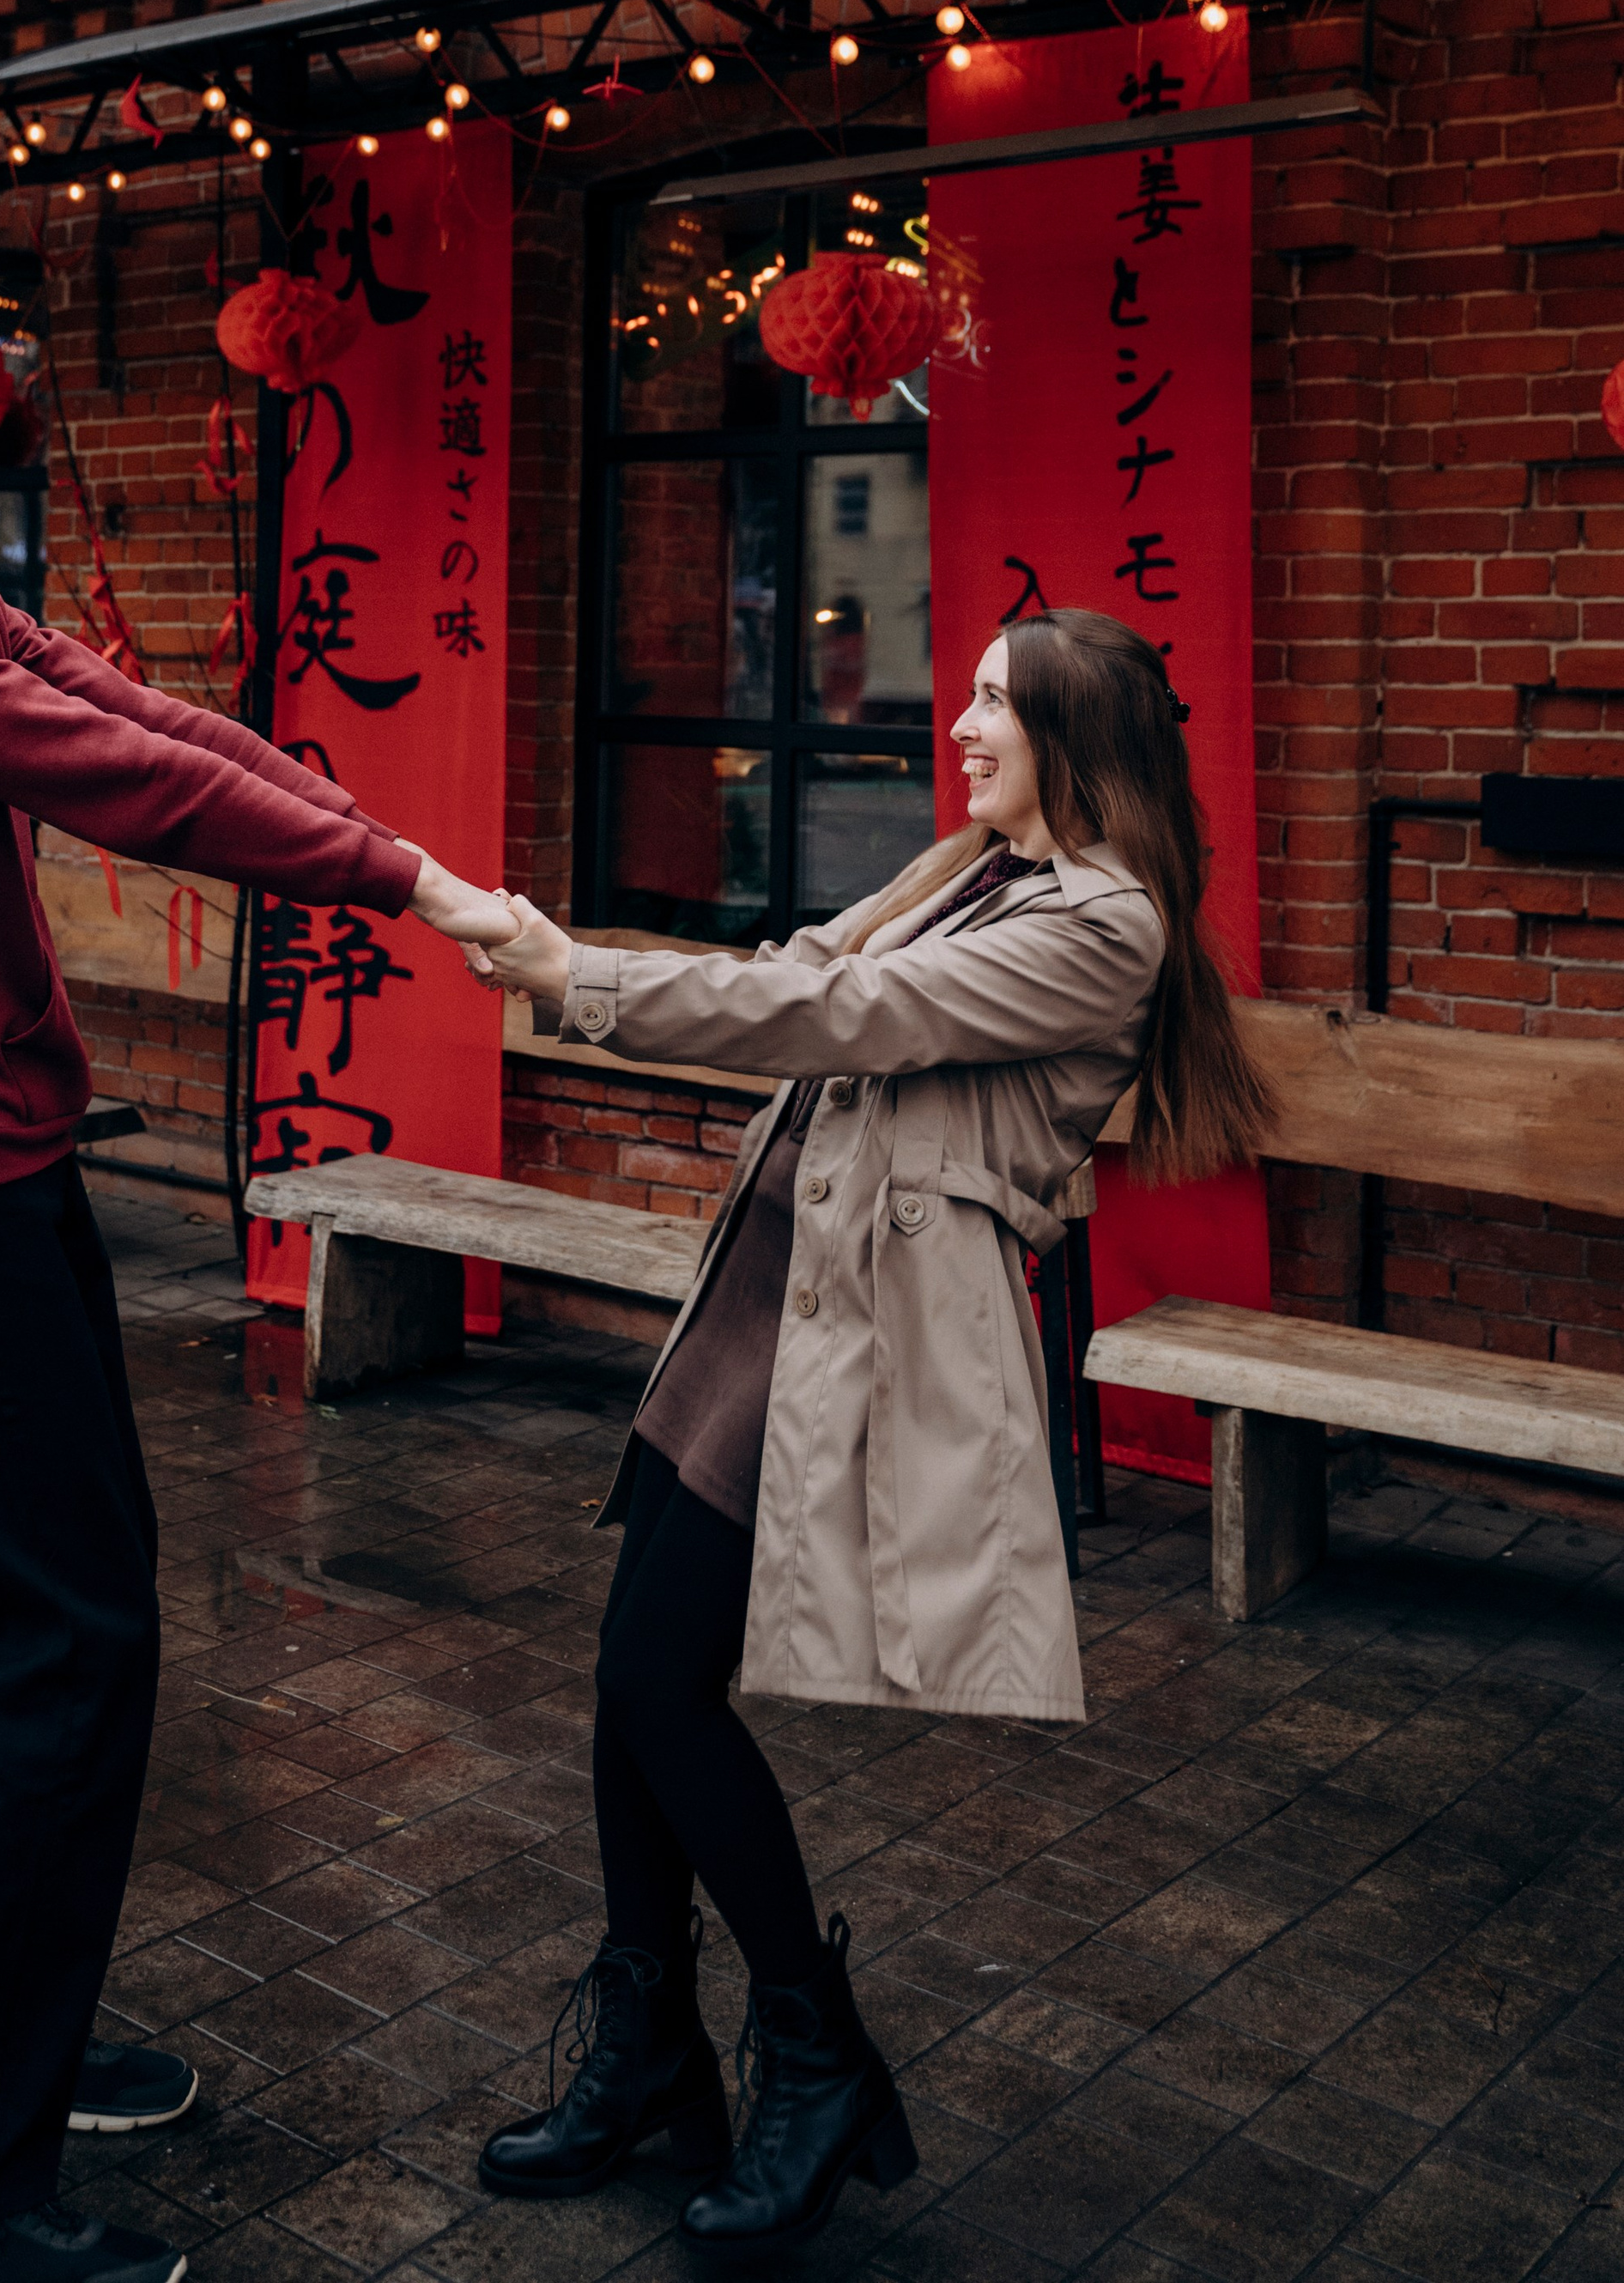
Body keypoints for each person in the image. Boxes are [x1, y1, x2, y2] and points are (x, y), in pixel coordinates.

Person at [0, 235, 514, 2283]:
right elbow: (109, 779)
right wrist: (414, 884)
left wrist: (375, 840)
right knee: (72, 1648)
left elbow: (125, 703)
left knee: (87, 1626)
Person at [471, 609, 1272, 2252]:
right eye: (970, 695)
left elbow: (851, 1022)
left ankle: (815, 2061)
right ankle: (650, 2060)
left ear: (1075, 732)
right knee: (636, 1678)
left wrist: (583, 986)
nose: (961, 726)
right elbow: (809, 972)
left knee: (659, 1688)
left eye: (993, 701)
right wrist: (592, 968)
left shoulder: (1100, 923)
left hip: (855, 1330)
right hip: (776, 1291)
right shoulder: (974, 868)